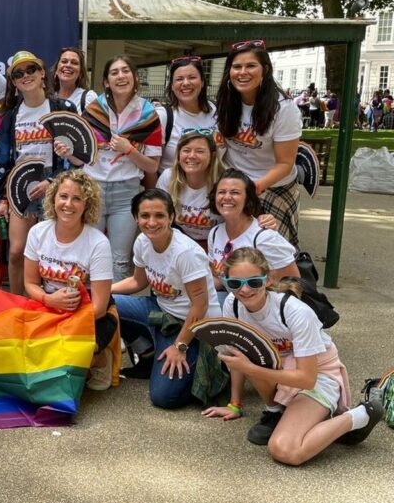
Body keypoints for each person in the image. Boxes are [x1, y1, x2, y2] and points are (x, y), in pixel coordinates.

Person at [203, 247, 385, 464]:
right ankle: (275, 411)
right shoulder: (232, 305)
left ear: (268, 279)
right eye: (234, 283)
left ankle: (359, 415)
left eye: (254, 282)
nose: (244, 290)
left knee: (284, 450)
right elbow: (238, 358)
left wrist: (250, 368)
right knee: (249, 353)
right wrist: (235, 404)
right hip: (281, 373)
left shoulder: (295, 312)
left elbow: (307, 379)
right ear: (226, 283)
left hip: (318, 376)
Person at [111, 189, 221, 409]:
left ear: (171, 217)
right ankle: (148, 353)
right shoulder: (142, 241)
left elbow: (201, 306)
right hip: (161, 311)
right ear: (136, 218)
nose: (152, 222)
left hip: (195, 325)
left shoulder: (185, 253)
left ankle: (201, 362)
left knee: (164, 397)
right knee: (107, 302)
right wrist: (99, 292)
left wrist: (179, 347)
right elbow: (138, 282)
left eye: (159, 215)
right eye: (145, 215)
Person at [70, 55, 162, 282]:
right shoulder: (93, 111)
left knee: (120, 259)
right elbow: (80, 160)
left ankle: (114, 303)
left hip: (126, 193)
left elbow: (152, 165)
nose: (121, 76)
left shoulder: (149, 114)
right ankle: (87, 302)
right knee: (87, 254)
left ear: (135, 77)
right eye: (114, 72)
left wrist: (128, 149)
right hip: (92, 190)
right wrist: (68, 152)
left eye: (125, 71)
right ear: (106, 82)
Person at [23, 170, 116, 391]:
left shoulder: (98, 243)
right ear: (53, 198)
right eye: (63, 196)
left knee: (64, 358)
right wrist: (49, 300)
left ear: (87, 204)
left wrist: (63, 326)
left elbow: (100, 307)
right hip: (48, 305)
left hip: (89, 313)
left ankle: (99, 359)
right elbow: (30, 284)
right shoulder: (37, 232)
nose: (68, 204)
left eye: (77, 198)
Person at [0, 51, 70, 295]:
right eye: (18, 73)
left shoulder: (62, 107)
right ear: (13, 82)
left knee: (49, 252)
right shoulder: (11, 117)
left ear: (43, 72)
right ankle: (16, 303)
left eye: (31, 69)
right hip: (20, 184)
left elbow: (76, 154)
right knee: (16, 251)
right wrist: (4, 198)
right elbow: (3, 159)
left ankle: (44, 302)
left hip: (55, 184)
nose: (26, 76)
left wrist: (53, 181)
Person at [216, 40, 302, 245]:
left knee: (270, 248)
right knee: (235, 247)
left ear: (265, 69)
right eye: (237, 66)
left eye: (251, 66)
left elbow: (285, 163)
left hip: (273, 187)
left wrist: (252, 189)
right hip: (235, 183)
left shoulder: (284, 109)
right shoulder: (226, 101)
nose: (242, 72)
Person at [206, 169, 299, 299]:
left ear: (247, 199)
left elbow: (293, 283)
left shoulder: (264, 237)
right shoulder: (215, 233)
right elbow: (219, 280)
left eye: (235, 192)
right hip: (231, 299)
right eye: (221, 192)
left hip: (263, 303)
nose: (227, 197)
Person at [156, 131, 224, 248]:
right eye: (186, 150)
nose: (192, 156)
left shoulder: (225, 181)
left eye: (200, 151)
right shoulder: (168, 177)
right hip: (181, 242)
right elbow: (158, 216)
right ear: (178, 155)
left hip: (218, 243)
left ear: (212, 156)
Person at [156, 56, 221, 174]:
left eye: (192, 77)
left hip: (214, 183)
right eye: (179, 79)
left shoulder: (218, 110)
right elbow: (151, 166)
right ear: (172, 86)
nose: (186, 83)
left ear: (202, 82)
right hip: (173, 184)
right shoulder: (163, 116)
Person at [49, 46, 96, 115]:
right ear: (56, 70)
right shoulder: (48, 99)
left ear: (80, 73)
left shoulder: (88, 98)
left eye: (74, 63)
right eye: (64, 61)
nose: (68, 65)